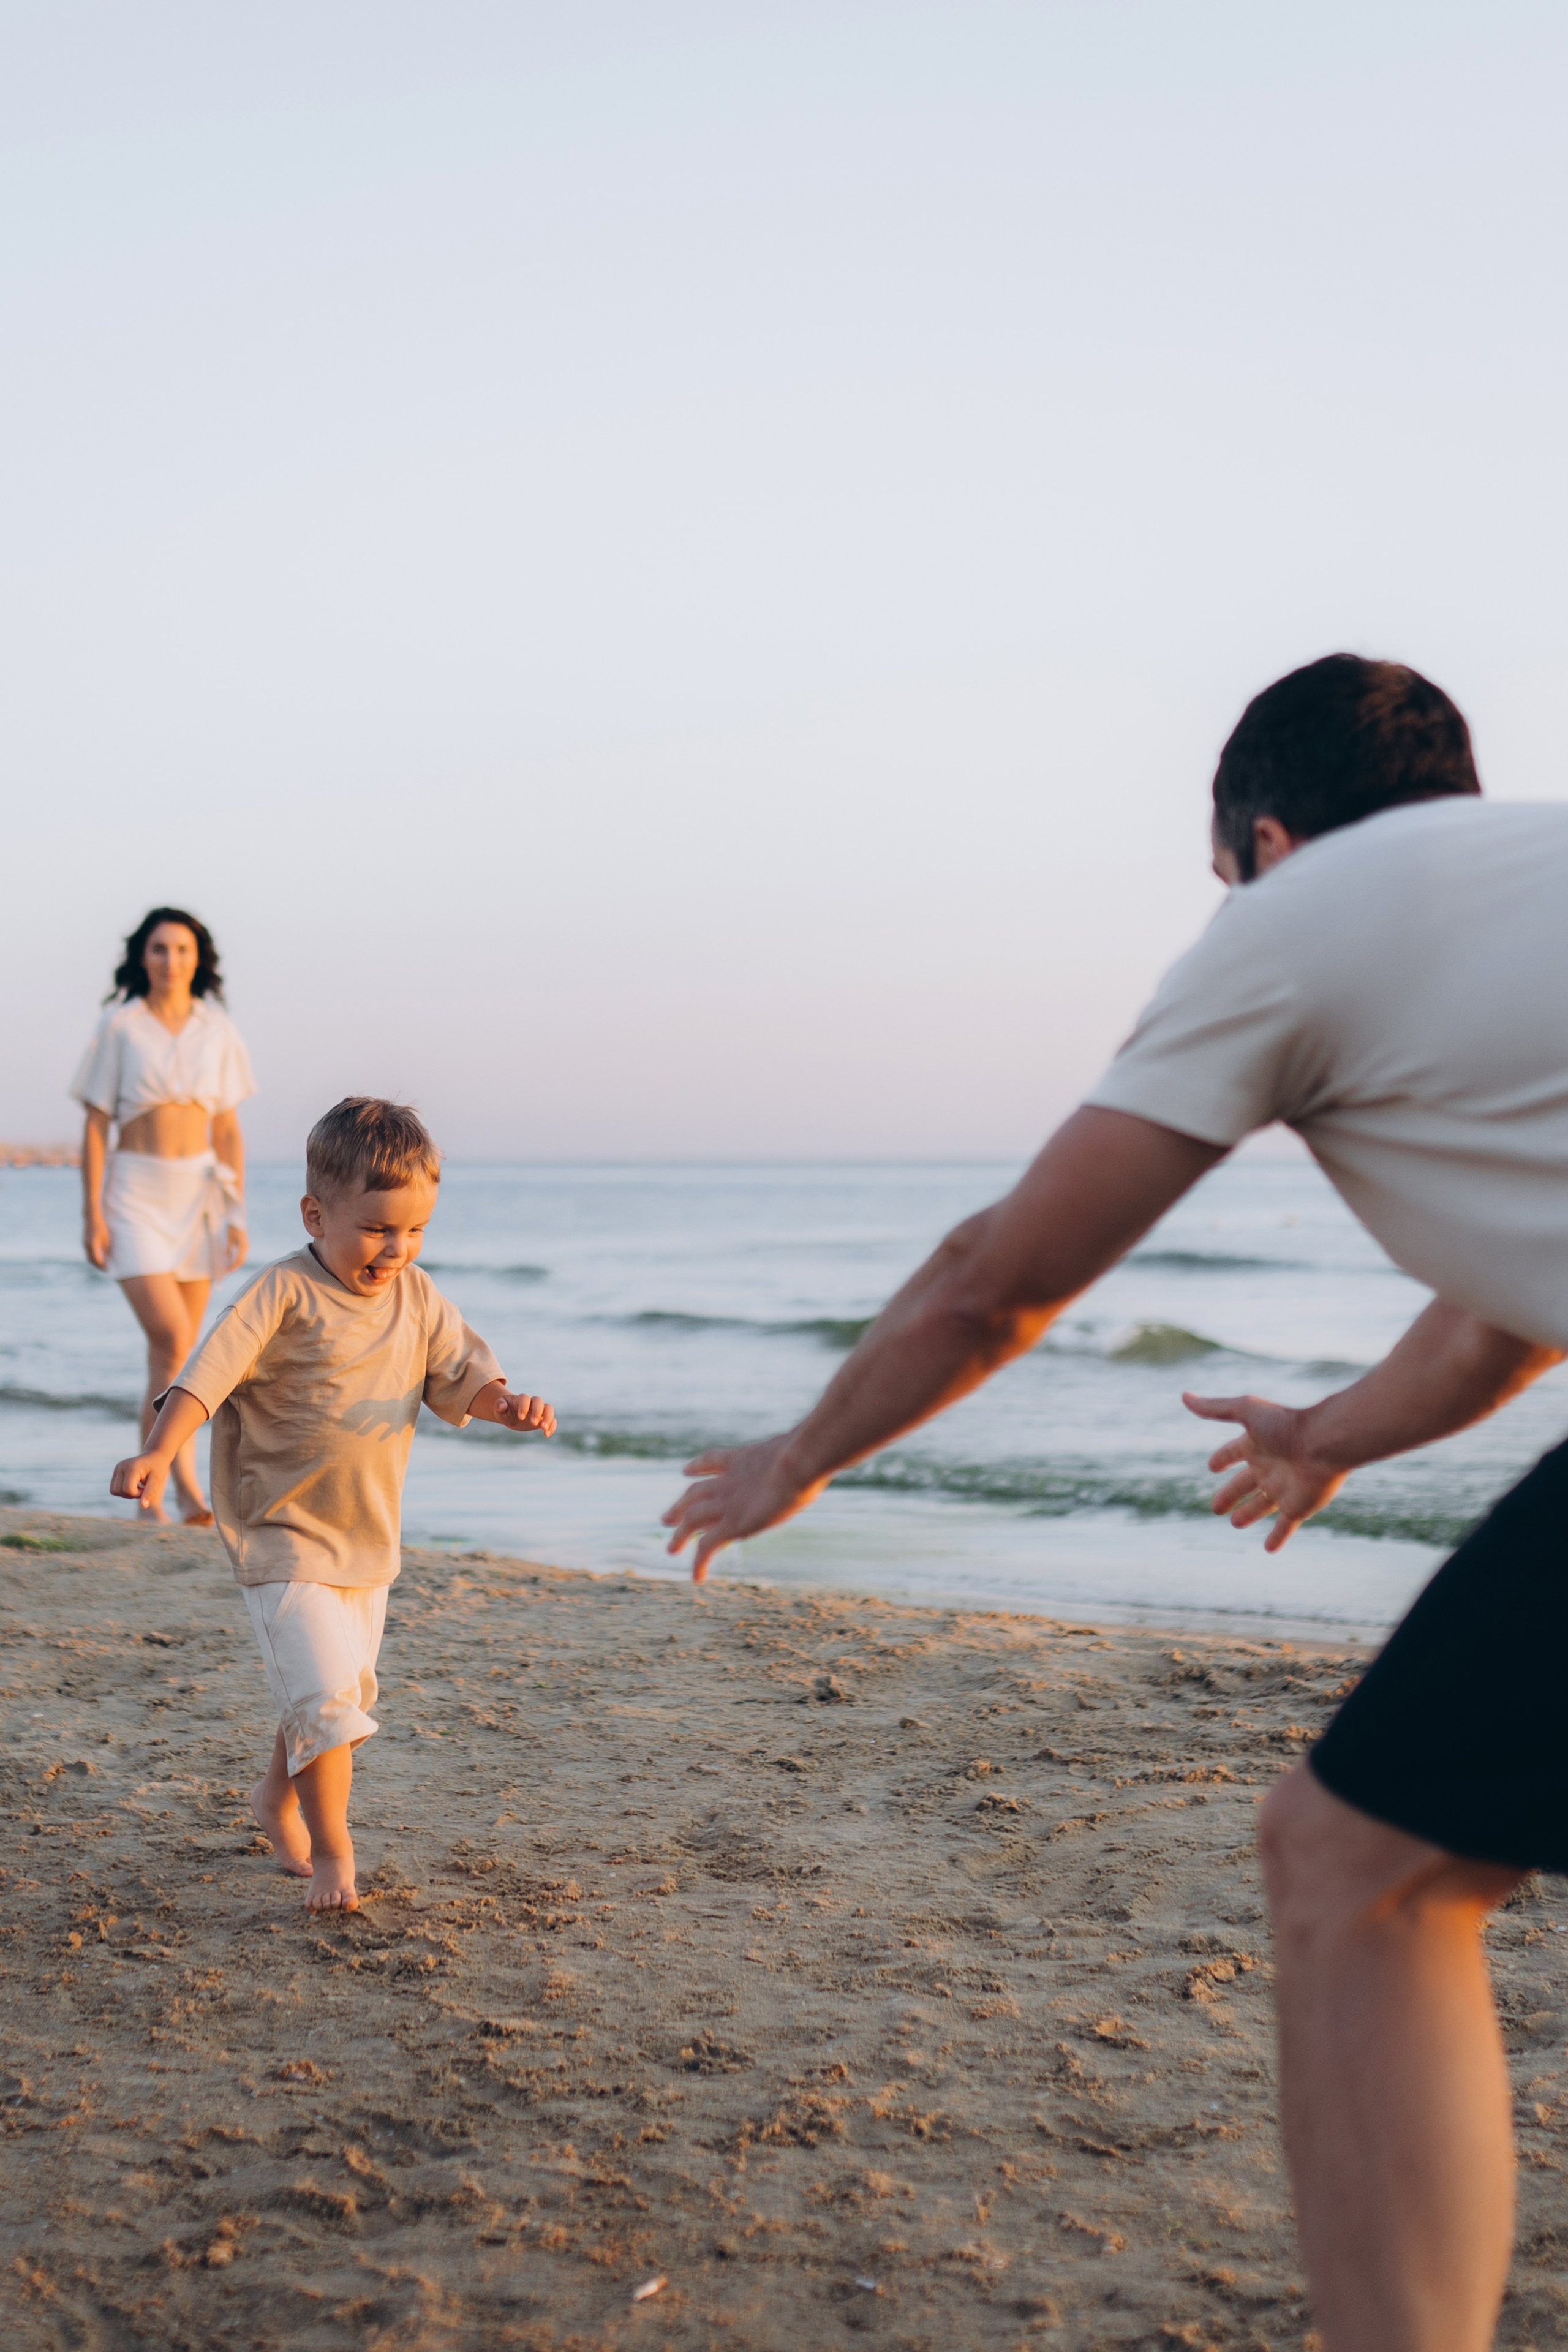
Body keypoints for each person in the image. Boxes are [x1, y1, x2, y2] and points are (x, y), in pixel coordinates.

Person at [663, 652, 1568, 2352]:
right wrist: (1326, 1433)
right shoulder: (1527, 889)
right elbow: (1496, 1327)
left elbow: (992, 1282)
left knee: (1358, 1868)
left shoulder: (1292, 919)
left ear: (1262, 843)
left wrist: (796, 1460)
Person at [108, 1097, 557, 1915]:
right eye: (377, 1229)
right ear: (316, 1215)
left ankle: (273, 1797)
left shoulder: (418, 1299)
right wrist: (159, 1452)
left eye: (415, 1230)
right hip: (280, 1535)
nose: (397, 1248)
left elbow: (462, 1376)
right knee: (322, 1702)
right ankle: (333, 1855)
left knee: (333, 1697)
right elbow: (206, 1375)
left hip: (366, 1542)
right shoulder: (282, 1292)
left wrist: (508, 1406)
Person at [72, 907, 254, 1525]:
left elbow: (227, 1129)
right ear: (142, 957)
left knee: (175, 1358)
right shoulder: (120, 1025)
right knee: (174, 1339)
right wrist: (93, 1213)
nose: (170, 960)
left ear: (197, 958)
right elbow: (96, 1125)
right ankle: (184, 1489)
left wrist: (237, 1212)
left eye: (182, 949)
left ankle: (151, 1499)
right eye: (159, 949)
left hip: (199, 1196)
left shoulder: (217, 1028)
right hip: (135, 1194)